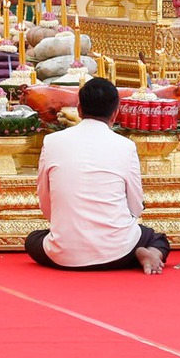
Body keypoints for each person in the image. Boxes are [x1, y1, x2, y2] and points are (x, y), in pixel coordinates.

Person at [28, 77, 169, 272]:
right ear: (116, 112)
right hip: (118, 253)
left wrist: (63, 226)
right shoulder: (126, 146)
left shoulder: (52, 141)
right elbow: (135, 206)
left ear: (78, 109)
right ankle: (146, 252)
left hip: (65, 254)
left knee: (33, 240)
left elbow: (45, 199)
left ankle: (74, 242)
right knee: (157, 239)